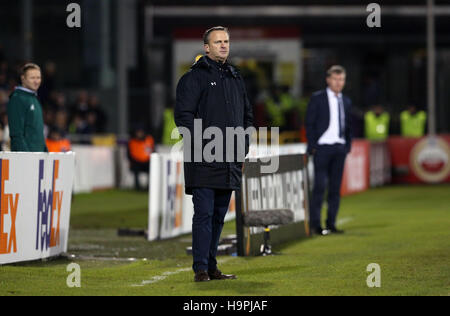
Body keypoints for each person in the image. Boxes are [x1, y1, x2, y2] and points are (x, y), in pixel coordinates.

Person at [175, 26, 253, 282]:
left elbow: (247, 117)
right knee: (205, 213)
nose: (223, 45)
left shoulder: (234, 77)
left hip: (230, 159)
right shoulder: (193, 78)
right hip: (204, 159)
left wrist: (242, 149)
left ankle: (211, 266)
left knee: (219, 216)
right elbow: (183, 117)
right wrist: (203, 146)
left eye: (226, 41)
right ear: (206, 47)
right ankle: (200, 268)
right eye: (218, 41)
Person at [306, 65, 352, 236]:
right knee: (319, 187)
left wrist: (347, 146)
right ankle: (316, 225)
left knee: (335, 188)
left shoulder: (346, 101)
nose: (338, 82)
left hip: (339, 148)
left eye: (341, 79)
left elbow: (349, 126)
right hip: (322, 148)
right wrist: (313, 146)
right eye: (335, 79)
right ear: (328, 80)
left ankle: (331, 223)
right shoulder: (317, 98)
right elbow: (309, 123)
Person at [7, 63, 47, 152]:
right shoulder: (17, 98)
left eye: (38, 77)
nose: (36, 81)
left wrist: (45, 151)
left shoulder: (34, 98)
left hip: (38, 157)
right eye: (32, 78)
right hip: (26, 158)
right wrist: (26, 157)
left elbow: (38, 131)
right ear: (23, 78)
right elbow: (16, 133)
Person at [127, 126, 154, 191]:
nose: (140, 134)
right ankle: (137, 187)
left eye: (141, 132)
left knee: (151, 167)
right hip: (136, 162)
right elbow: (129, 154)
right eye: (138, 132)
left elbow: (153, 151)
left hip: (147, 162)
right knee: (135, 168)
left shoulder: (149, 139)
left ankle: (149, 187)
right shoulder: (132, 141)